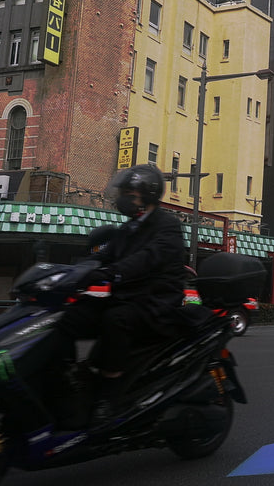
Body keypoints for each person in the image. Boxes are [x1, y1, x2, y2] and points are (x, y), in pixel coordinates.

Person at [59, 164, 188, 422]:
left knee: (114, 320)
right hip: (126, 298)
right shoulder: (127, 228)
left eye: (129, 192)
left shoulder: (167, 226)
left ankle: (110, 396)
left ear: (148, 194)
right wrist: (70, 272)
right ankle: (67, 381)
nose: (123, 197)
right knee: (69, 317)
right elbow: (102, 257)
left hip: (155, 302)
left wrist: (113, 272)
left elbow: (147, 258)